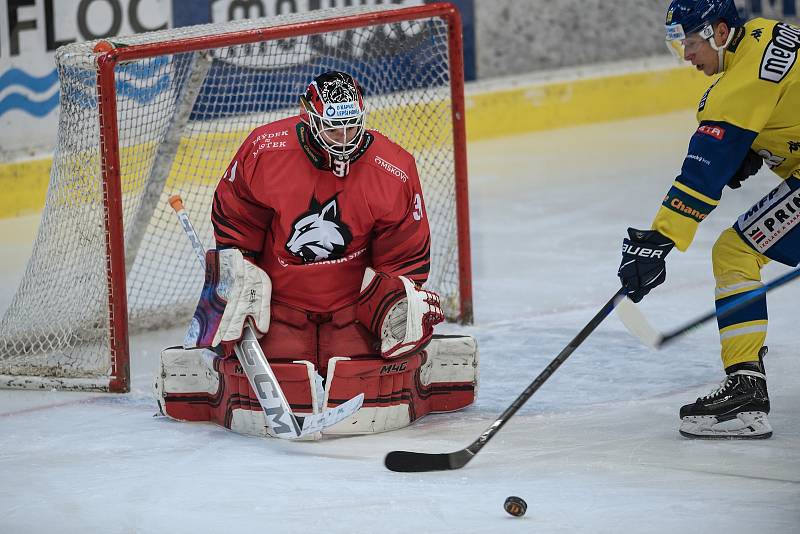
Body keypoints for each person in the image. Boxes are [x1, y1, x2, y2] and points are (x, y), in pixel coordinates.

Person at [155, 71, 478, 438]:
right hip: (280, 305)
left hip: (352, 309)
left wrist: (395, 301)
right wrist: (238, 271)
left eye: (351, 126)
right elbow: (236, 221)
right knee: (277, 369)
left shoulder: (393, 170)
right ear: (309, 119)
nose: (343, 139)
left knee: (369, 370)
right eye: (332, 128)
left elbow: (403, 256)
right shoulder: (265, 151)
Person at [618, 0, 800, 439]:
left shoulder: (736, 85)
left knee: (734, 252)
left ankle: (745, 393)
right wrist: (758, 146)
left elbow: (704, 171)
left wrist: (658, 239)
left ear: (720, 32)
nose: (687, 56)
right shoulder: (766, 33)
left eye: (692, 43)